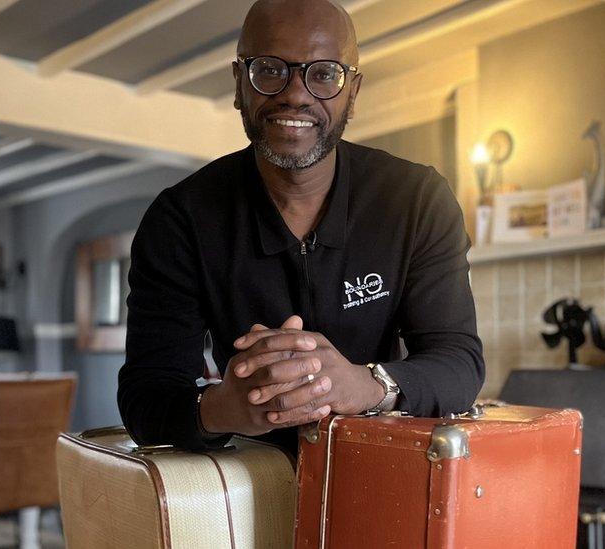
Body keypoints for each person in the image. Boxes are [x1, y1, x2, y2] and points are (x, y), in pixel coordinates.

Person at [118, 0, 484, 454]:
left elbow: (459, 363)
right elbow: (146, 397)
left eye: (324, 73)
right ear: (239, 83)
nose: (295, 93)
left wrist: (363, 385)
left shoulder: (417, 199)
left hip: (384, 472)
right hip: (246, 487)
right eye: (270, 70)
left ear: (352, 90)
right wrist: (226, 407)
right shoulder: (180, 219)